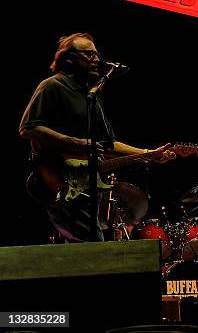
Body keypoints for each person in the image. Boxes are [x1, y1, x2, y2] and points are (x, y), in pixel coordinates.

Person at [19, 32, 174, 242]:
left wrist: (149, 154)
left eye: (97, 55)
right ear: (69, 59)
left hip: (85, 185)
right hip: (58, 181)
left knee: (84, 249)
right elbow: (28, 127)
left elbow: (107, 145)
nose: (97, 60)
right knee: (92, 245)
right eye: (89, 55)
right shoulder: (53, 86)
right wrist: (79, 143)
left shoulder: (90, 95)